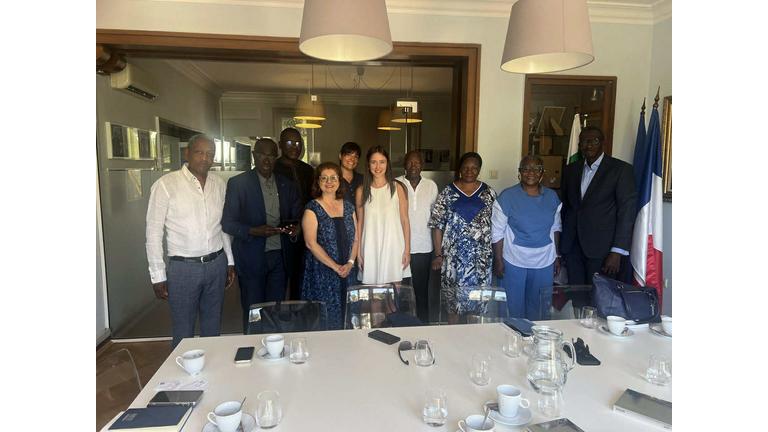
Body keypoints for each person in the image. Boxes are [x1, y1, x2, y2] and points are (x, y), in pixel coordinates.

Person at [145, 134, 235, 348]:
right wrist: (157, 275)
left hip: (216, 265)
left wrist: (230, 261)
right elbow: (153, 231)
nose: (205, 158)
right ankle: (181, 369)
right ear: (187, 153)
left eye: (210, 154)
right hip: (184, 269)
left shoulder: (219, 184)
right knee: (183, 332)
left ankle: (211, 367)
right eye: (199, 152)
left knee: (212, 327)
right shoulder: (166, 185)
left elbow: (222, 226)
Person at [222, 138, 303, 332]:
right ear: (254, 156)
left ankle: (274, 346)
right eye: (261, 155)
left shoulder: (286, 184)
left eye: (271, 156)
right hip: (251, 256)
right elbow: (228, 223)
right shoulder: (238, 183)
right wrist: (254, 230)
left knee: (275, 310)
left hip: (279, 258)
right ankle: (253, 346)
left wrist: (297, 228)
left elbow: (298, 216)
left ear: (276, 158)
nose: (266, 160)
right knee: (254, 311)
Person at [560, 126, 637, 307]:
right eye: (584, 141)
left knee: (600, 299)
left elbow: (626, 212)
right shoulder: (571, 169)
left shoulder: (620, 170)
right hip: (573, 247)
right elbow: (566, 207)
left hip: (603, 250)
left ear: (603, 143)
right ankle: (579, 326)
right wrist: (562, 246)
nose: (588, 145)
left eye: (593, 140)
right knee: (577, 298)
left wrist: (617, 251)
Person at [429, 152, 496, 324]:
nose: (469, 171)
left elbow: (497, 226)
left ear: (479, 170)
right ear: (460, 168)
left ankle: (472, 337)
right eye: (466, 167)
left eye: (474, 168)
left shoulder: (489, 193)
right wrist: (438, 254)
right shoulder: (447, 192)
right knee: (453, 303)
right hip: (453, 259)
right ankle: (453, 336)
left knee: (477, 303)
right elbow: (437, 225)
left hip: (480, 259)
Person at [492, 155, 562, 320]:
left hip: (544, 260)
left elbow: (555, 228)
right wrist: (498, 260)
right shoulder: (507, 197)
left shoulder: (552, 197)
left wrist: (557, 256)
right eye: (526, 169)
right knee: (512, 308)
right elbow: (497, 232)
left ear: (542, 173)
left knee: (539, 309)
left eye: (536, 169)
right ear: (519, 173)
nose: (531, 172)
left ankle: (536, 336)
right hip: (513, 260)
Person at [301, 162, 359, 330]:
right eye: (324, 178)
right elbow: (311, 243)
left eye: (333, 178)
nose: (329, 182)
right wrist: (335, 267)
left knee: (349, 317)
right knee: (325, 320)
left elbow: (356, 238)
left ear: (339, 181)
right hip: (322, 274)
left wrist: (350, 263)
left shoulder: (348, 207)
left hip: (348, 272)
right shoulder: (312, 209)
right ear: (318, 182)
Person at [355, 145, 411, 284]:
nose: (378, 166)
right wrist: (359, 253)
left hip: (394, 246)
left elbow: (405, 220)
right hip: (370, 246)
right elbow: (360, 223)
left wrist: (407, 250)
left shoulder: (397, 188)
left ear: (387, 164)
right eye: (373, 162)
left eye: (382, 162)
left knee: (394, 291)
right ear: (368, 165)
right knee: (372, 293)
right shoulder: (361, 191)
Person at [396, 150, 438, 323]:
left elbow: (436, 218)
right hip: (400, 247)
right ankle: (401, 325)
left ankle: (423, 325)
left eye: (417, 162)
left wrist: (438, 251)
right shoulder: (396, 184)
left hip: (424, 246)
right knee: (401, 293)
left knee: (421, 291)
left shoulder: (431, 186)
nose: (413, 166)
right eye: (410, 162)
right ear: (404, 164)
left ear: (422, 165)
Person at [273, 127, 314, 301]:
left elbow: (312, 201)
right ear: (280, 144)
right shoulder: (272, 168)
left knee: (300, 278)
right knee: (278, 281)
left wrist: (302, 226)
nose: (294, 147)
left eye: (298, 143)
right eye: (289, 142)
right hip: (277, 232)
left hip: (304, 230)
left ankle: (297, 313)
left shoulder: (308, 170)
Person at [339, 141, 363, 207]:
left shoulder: (363, 179)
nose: (352, 159)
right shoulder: (333, 179)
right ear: (340, 156)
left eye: (356, 156)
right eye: (348, 155)